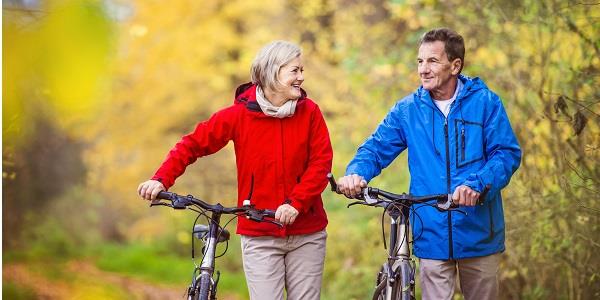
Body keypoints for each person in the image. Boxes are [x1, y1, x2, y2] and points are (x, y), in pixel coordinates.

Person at [137, 40, 332, 300]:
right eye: (294, 71)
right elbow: (192, 144)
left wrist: (296, 203)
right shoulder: (239, 115)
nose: (301, 77)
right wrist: (161, 179)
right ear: (273, 73)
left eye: (301, 71)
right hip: (259, 233)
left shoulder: (309, 113)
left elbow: (321, 163)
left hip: (307, 232)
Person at [336, 28, 521, 300]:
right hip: (430, 231)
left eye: (432, 61)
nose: (423, 69)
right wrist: (355, 173)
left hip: (479, 233)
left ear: (455, 66)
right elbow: (375, 148)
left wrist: (478, 185)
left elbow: (506, 153)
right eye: (420, 61)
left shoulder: (486, 103)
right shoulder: (407, 110)